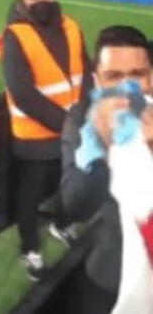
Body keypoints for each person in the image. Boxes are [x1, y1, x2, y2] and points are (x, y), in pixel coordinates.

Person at [0, 0, 92, 281]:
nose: (41, 2)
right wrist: (69, 124)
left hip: (73, 131)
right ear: (25, 0)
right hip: (35, 138)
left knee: (72, 187)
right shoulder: (15, 35)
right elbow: (23, 94)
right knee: (31, 195)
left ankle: (61, 224)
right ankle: (30, 248)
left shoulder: (72, 26)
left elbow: (87, 75)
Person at [60, 26, 153, 314]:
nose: (128, 87)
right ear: (97, 79)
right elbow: (75, 205)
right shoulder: (83, 120)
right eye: (114, 76)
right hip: (114, 276)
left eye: (137, 74)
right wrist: (99, 145)